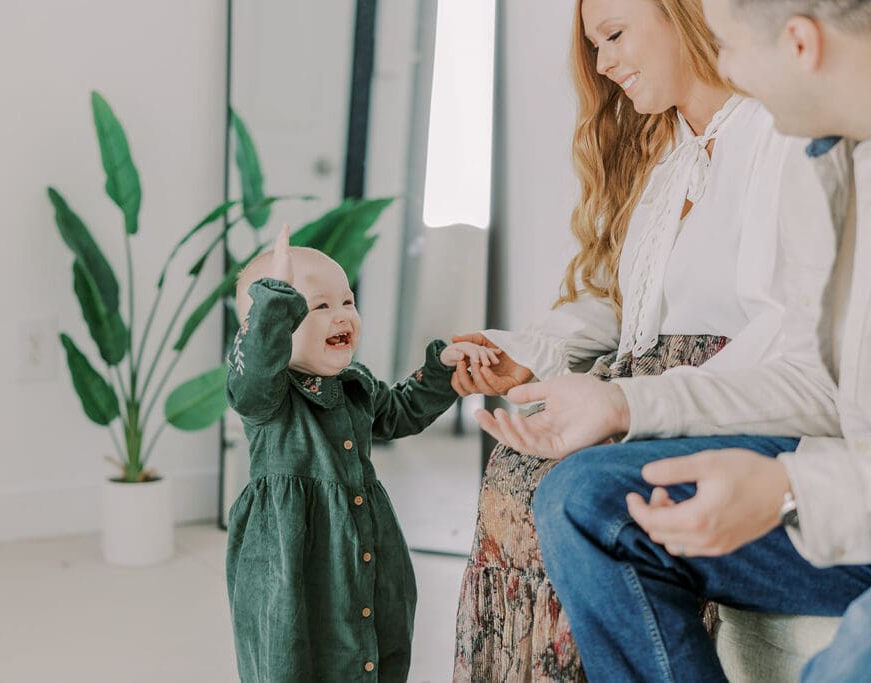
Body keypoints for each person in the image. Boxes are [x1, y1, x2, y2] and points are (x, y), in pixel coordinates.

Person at [450, 0, 842, 680]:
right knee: (514, 472)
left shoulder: (786, 138)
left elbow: (797, 353)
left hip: (726, 403)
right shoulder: (666, 160)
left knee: (573, 492)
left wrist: (632, 405)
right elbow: (620, 306)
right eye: (594, 44)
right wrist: (528, 353)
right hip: (652, 387)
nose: (603, 64)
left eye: (616, 34)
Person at [224, 225, 496, 682]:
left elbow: (401, 412)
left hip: (365, 537)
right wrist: (274, 298)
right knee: (293, 648)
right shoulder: (269, 398)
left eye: (347, 301)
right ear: (271, 326)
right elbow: (251, 376)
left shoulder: (356, 385)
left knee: (378, 629)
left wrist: (440, 372)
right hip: (290, 553)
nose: (342, 315)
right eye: (316, 306)